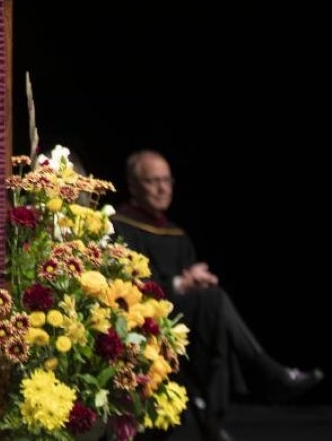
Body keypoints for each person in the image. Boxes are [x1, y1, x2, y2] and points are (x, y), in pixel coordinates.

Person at [112, 150, 324, 441]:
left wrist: (197, 282)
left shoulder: (177, 234)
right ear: (134, 185)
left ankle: (211, 415)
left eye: (167, 180)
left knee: (213, 303)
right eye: (153, 181)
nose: (163, 188)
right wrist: (181, 284)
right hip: (145, 319)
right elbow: (125, 286)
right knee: (213, 300)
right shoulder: (121, 226)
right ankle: (266, 374)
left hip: (189, 319)